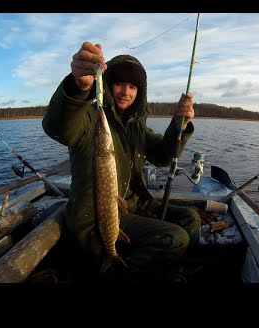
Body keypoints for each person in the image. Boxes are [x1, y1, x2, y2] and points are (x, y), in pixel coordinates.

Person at [42, 41, 201, 283]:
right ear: (107, 85)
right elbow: (60, 127)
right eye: (119, 83)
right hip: (97, 216)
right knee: (174, 237)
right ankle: (116, 275)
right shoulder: (89, 118)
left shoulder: (135, 125)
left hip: (132, 205)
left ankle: (167, 268)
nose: (126, 92)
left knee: (190, 219)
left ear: (139, 92)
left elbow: (162, 155)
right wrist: (78, 88)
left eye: (133, 86)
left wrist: (180, 125)